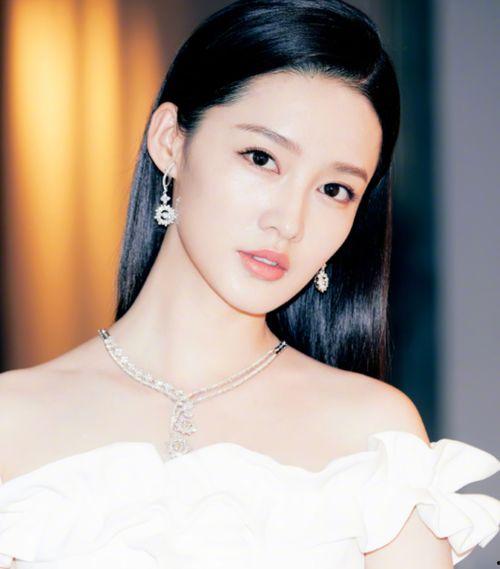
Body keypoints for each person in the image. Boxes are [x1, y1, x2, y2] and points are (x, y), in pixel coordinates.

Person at [0, 0, 498, 567]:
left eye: (334, 190)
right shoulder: (12, 419)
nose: (289, 221)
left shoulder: (374, 435)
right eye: (261, 158)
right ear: (170, 141)